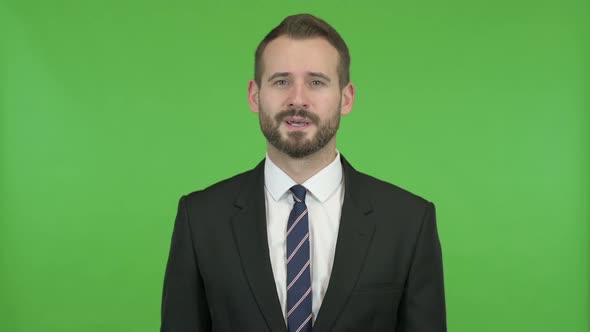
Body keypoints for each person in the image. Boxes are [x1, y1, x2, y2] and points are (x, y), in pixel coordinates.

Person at [161, 13, 446, 332]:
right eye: (281, 81)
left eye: (316, 82)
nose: (298, 99)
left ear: (346, 97)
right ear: (255, 95)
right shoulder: (200, 219)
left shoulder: (409, 222)